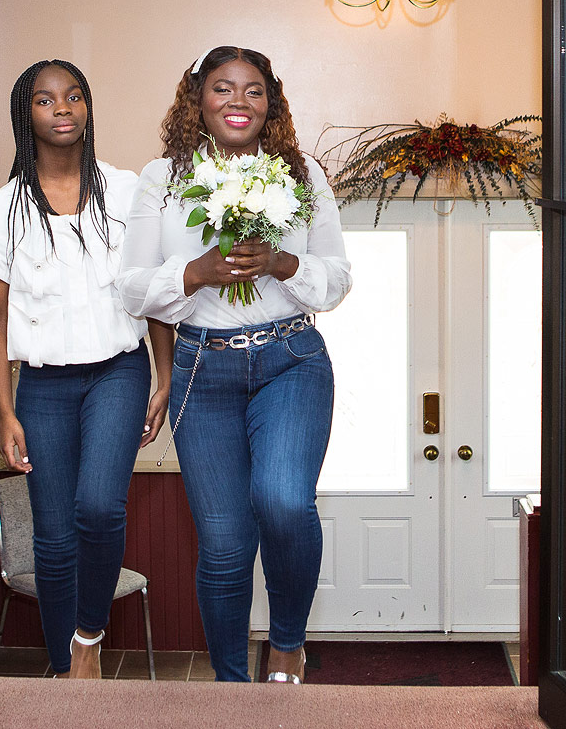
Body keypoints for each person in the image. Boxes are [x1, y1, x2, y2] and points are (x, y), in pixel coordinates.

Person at [116, 45, 352, 684]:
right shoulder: (161, 179)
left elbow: (336, 281)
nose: (238, 102)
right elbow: (132, 287)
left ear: (271, 102)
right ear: (197, 100)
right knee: (223, 546)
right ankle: (230, 690)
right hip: (202, 370)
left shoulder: (302, 176)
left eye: (254, 90)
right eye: (223, 88)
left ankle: (287, 646)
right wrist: (194, 273)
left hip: (290, 360)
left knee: (283, 502)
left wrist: (282, 264)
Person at [0, 59, 169, 679]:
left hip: (119, 372)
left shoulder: (129, 191)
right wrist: (5, 410)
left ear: (87, 108)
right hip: (46, 386)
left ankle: (88, 638)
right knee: (53, 536)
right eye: (46, 99)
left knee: (100, 509)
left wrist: (163, 375)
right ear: (24, 115)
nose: (63, 108)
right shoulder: (1, 213)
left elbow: (153, 291)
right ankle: (64, 675)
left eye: (74, 96)